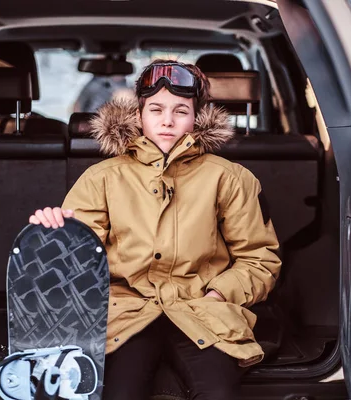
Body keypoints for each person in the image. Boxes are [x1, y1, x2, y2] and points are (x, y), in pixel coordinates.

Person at [29, 60, 282, 400]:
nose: (167, 120)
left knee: (220, 394)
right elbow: (80, 256)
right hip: (125, 314)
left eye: (181, 110)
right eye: (156, 109)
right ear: (138, 114)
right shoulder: (103, 177)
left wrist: (218, 295)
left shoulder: (230, 178)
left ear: (197, 117)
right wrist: (55, 232)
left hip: (202, 313)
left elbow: (259, 260)